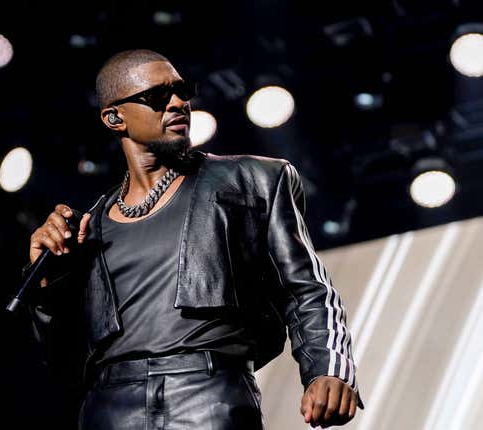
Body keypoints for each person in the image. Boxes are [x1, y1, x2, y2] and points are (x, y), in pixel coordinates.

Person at [24, 49, 364, 429]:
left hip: (208, 397)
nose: (178, 103)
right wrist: (47, 280)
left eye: (182, 90)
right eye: (156, 96)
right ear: (114, 117)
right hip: (109, 408)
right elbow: (61, 358)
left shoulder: (256, 179)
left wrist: (328, 369)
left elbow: (308, 288)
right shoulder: (89, 227)